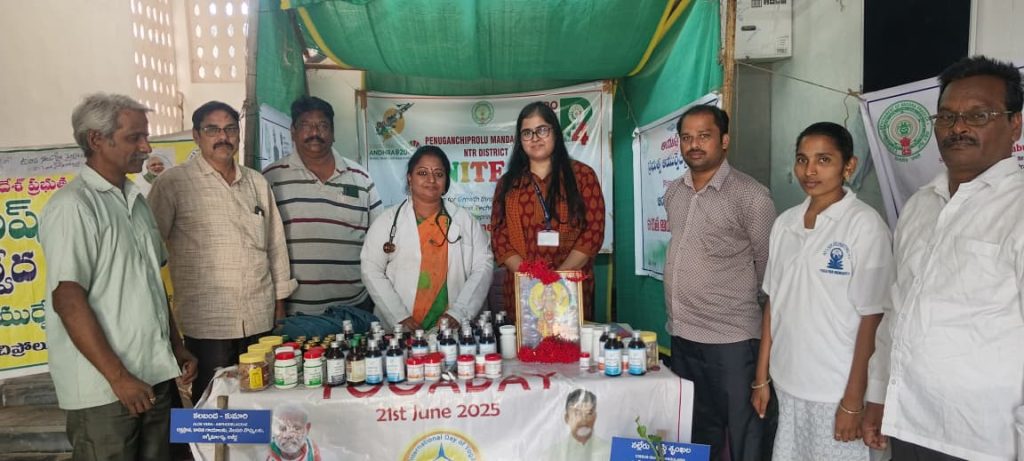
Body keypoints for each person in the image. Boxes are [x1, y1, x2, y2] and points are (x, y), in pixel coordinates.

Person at [863, 56, 1024, 460]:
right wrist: (878, 393)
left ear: (1015, 124)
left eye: (978, 115)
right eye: (947, 117)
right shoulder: (920, 205)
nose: (958, 128)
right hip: (908, 421)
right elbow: (896, 309)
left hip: (985, 439)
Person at [40, 93, 197, 460]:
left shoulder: (136, 201)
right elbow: (68, 299)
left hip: (154, 375)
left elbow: (151, 283)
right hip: (106, 391)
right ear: (97, 139)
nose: (146, 147)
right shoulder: (73, 206)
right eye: (134, 137)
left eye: (146, 136)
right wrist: (118, 377)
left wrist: (175, 345)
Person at [750, 122, 893, 460]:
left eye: (823, 160)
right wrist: (761, 377)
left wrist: (854, 400)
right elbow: (774, 301)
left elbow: (873, 318)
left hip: (836, 389)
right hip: (788, 382)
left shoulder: (864, 224)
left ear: (849, 166)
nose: (809, 170)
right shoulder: (785, 223)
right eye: (802, 159)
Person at [148, 101, 296, 402]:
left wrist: (279, 306)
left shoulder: (256, 182)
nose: (223, 137)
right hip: (207, 323)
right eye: (212, 130)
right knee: (214, 403)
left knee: (263, 398)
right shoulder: (173, 184)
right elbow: (149, 250)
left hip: (259, 318)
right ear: (196, 135)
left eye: (230, 129)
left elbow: (275, 245)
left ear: (238, 134)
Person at [663, 104, 776, 460]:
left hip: (732, 341)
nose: (694, 145)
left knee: (747, 440)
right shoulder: (674, 192)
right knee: (697, 436)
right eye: (686, 137)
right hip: (683, 337)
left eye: (704, 136)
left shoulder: (751, 197)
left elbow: (769, 272)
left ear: (724, 140)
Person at [263, 96, 383, 315]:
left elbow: (379, 241)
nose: (315, 133)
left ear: (333, 133)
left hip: (355, 308)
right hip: (295, 312)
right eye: (306, 125)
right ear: (292, 131)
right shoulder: (271, 178)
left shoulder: (361, 178)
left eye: (322, 125)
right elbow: (264, 245)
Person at [490, 102, 605, 320]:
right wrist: (530, 278)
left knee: (569, 341)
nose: (535, 138)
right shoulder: (508, 184)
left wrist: (558, 278)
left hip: (571, 287)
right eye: (527, 133)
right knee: (525, 342)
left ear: (555, 132)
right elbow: (499, 237)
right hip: (523, 290)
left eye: (542, 130)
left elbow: (593, 232)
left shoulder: (583, 176)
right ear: (520, 140)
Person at [361, 146, 493, 331]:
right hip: (401, 330)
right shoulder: (387, 222)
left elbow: (483, 266)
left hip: (451, 327)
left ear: (446, 181)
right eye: (422, 173)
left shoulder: (465, 221)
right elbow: (371, 269)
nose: (431, 180)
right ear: (410, 177)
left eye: (439, 174)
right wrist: (399, 316)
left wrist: (459, 312)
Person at [544, 389, 611, 460]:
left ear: (595, 417)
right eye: (577, 413)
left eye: (588, 413)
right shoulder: (551, 454)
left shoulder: (609, 451)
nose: (583, 419)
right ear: (567, 418)